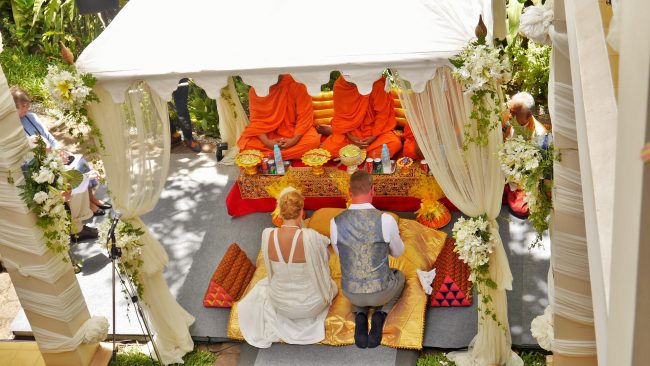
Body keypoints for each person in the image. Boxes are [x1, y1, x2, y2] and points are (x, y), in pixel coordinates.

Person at [238, 188, 338, 348]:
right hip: (312, 306)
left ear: (280, 213)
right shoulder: (310, 236)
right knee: (332, 286)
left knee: (265, 285)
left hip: (280, 305)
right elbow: (326, 255)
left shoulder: (267, 234)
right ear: (301, 212)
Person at [329, 171, 405, 349]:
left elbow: (342, 256)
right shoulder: (385, 219)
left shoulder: (335, 222)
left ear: (350, 192)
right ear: (373, 190)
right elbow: (398, 252)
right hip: (381, 292)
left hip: (351, 292)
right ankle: (380, 314)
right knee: (399, 276)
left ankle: (360, 314)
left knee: (356, 281)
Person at [11, 86, 111, 217]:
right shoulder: (13, 127)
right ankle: (87, 206)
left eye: (27, 105)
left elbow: (48, 136)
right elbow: (28, 153)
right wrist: (52, 155)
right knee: (75, 173)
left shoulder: (31, 116)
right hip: (40, 163)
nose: (26, 108)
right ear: (14, 107)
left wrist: (59, 150)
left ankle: (91, 198)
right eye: (23, 106)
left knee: (81, 162)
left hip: (54, 154)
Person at [236, 74, 321, 160]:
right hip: (269, 133)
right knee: (247, 145)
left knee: (312, 142)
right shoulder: (256, 90)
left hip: (295, 131)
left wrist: (294, 140)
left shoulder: (297, 84)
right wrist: (267, 142)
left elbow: (304, 117)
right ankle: (286, 155)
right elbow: (256, 121)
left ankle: (268, 156)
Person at [321, 76, 402, 158]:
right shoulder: (341, 85)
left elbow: (383, 114)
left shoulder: (377, 84)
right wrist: (352, 138)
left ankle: (352, 155)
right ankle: (366, 154)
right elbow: (341, 117)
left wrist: (373, 136)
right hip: (352, 131)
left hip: (375, 130)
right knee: (329, 150)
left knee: (394, 143)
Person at [502, 92, 552, 218]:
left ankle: (509, 194)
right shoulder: (510, 122)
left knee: (522, 209)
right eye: (510, 112)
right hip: (508, 172)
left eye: (514, 114)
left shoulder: (541, 136)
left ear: (528, 115)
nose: (509, 116)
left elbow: (544, 172)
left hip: (525, 180)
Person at [170, 78, 202, 152]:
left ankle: (188, 138)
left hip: (179, 74)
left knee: (182, 107)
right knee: (159, 106)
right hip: (156, 73)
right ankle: (172, 134)